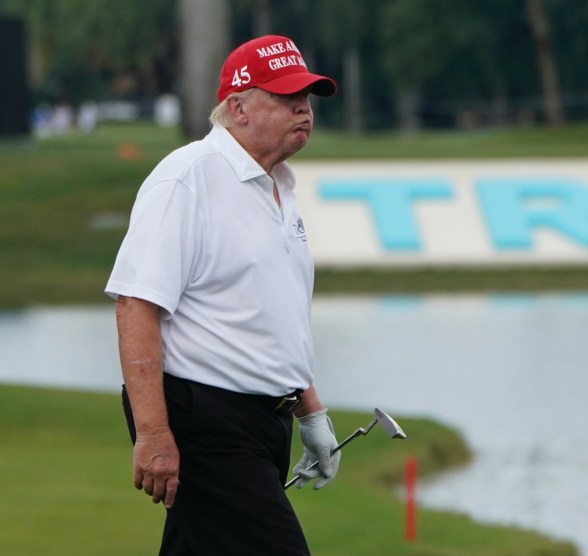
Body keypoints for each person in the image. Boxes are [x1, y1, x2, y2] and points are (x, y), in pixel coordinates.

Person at [105, 34, 340, 555]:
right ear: (237, 108)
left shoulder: (279, 186)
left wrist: (309, 411)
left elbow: (270, 317)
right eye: (285, 96)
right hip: (206, 417)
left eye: (306, 96)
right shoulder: (188, 179)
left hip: (263, 421)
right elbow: (136, 304)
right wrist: (153, 434)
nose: (303, 107)